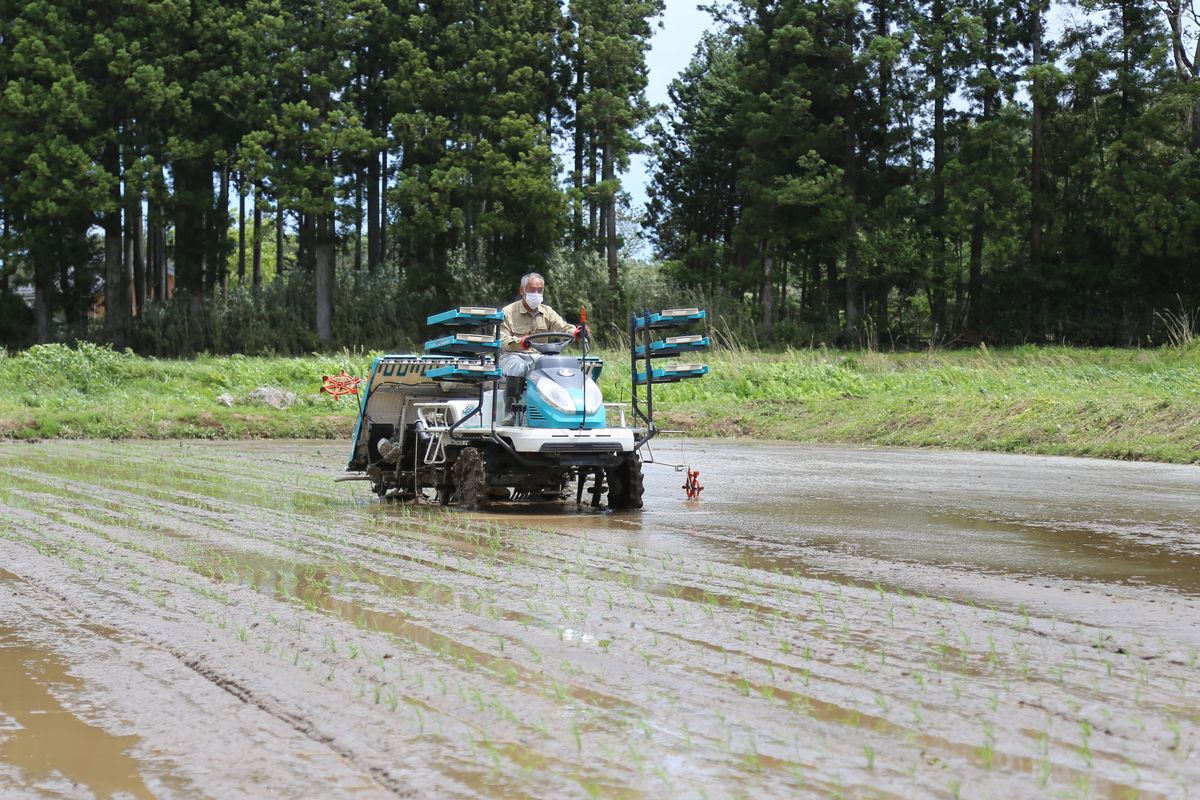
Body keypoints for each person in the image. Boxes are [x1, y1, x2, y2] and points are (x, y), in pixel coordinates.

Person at [498, 272, 583, 378]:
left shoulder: (547, 312)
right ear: (522, 290)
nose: (536, 294)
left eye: (540, 290)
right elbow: (502, 340)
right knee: (520, 368)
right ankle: (513, 395)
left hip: (541, 357)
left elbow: (562, 327)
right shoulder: (507, 312)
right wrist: (521, 342)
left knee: (561, 369)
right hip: (513, 356)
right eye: (532, 290)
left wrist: (576, 332)